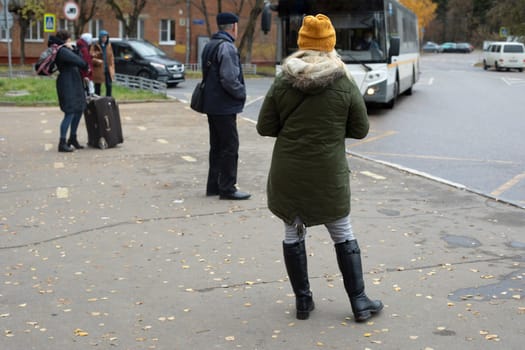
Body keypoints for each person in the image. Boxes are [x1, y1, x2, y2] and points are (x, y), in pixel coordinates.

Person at [256, 14, 383, 322]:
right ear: (330, 45)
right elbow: (361, 129)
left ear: (301, 43)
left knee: (292, 232)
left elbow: (264, 126)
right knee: (342, 233)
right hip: (328, 174)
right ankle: (359, 302)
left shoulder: (284, 79)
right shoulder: (343, 80)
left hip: (289, 173)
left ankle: (303, 302)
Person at [200, 12, 250, 200]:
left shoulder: (210, 45)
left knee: (217, 146)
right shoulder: (227, 47)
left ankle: (214, 185)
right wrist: (242, 93)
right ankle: (228, 188)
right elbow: (229, 79)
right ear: (234, 27)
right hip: (224, 105)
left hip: (211, 104)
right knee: (230, 146)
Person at [50, 29, 89, 152]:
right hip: (67, 83)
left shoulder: (64, 50)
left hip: (74, 81)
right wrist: (73, 49)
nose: (71, 41)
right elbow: (81, 62)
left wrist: (74, 50)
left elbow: (79, 61)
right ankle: (62, 143)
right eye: (69, 39)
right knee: (70, 112)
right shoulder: (62, 51)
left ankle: (72, 138)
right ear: (66, 39)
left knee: (79, 109)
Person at [90, 30, 115, 97]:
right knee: (97, 86)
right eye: (103, 37)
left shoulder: (109, 45)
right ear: (100, 38)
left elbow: (111, 56)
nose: (104, 39)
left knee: (109, 85)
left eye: (106, 37)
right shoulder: (95, 45)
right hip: (99, 68)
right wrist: (97, 60)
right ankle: (97, 100)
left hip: (108, 68)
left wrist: (112, 66)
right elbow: (91, 56)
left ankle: (109, 99)